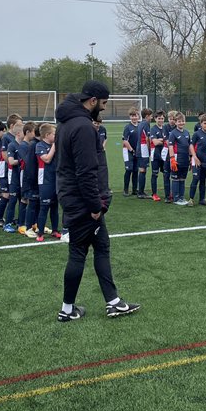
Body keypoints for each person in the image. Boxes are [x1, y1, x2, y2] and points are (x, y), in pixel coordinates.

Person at [55, 81, 140, 322]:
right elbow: (85, 171)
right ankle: (67, 309)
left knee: (102, 246)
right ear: (92, 100)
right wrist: (95, 206)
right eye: (102, 104)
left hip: (74, 197)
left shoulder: (66, 122)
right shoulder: (82, 126)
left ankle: (113, 302)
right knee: (78, 253)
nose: (102, 109)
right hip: (83, 202)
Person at [34, 123, 62, 242]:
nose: (56, 136)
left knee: (55, 207)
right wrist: (55, 146)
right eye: (54, 134)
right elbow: (46, 159)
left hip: (56, 178)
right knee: (44, 207)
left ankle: (55, 230)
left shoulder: (55, 145)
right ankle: (40, 233)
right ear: (47, 135)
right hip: (45, 180)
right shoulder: (40, 146)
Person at [167, 113, 192, 206]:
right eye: (179, 121)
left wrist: (190, 158)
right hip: (177, 158)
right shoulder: (173, 133)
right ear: (176, 122)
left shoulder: (186, 132)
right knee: (175, 178)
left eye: (183, 121)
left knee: (182, 179)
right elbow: (170, 146)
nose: (181, 123)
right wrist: (172, 158)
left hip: (185, 159)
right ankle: (176, 198)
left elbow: (189, 146)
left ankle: (181, 197)